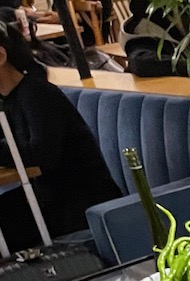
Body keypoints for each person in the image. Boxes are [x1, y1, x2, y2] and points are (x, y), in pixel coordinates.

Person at [0, 15, 120, 251]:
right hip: (48, 200)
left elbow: (45, 155)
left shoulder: (37, 93)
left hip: (78, 205)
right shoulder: (8, 99)